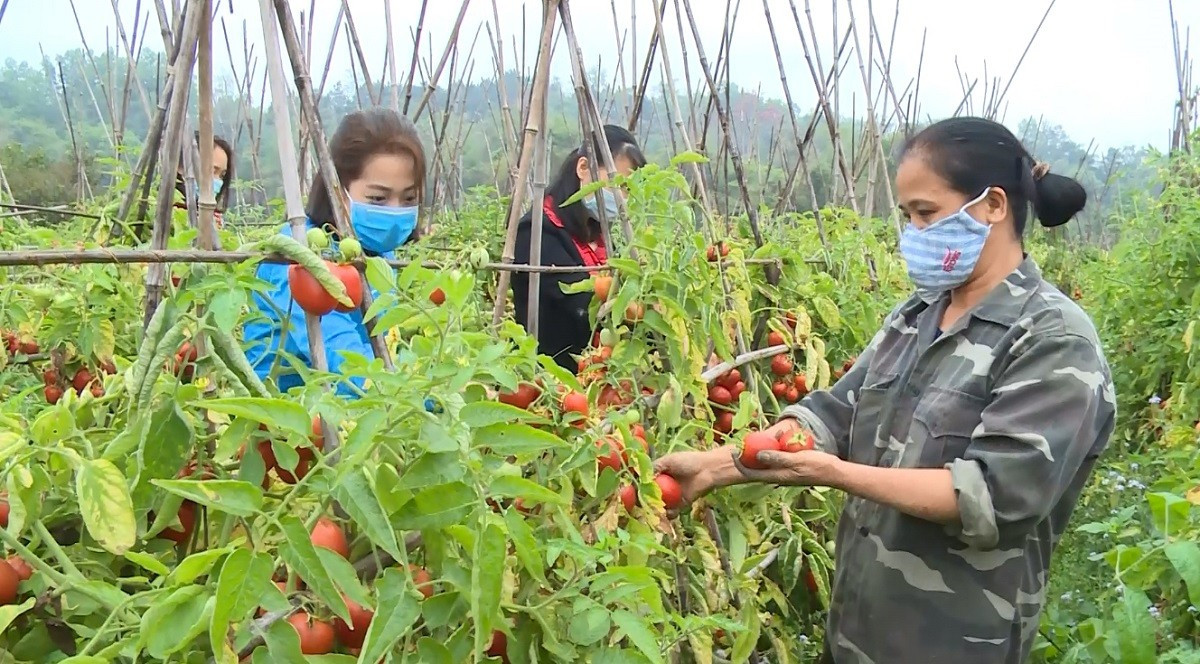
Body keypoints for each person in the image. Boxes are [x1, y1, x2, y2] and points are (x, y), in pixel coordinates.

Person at [655, 117, 1115, 664]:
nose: (913, 232)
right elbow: (836, 414)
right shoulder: (918, 314)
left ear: (993, 205)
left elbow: (992, 497)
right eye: (907, 216)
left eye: (927, 213)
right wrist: (716, 467)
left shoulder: (1053, 340)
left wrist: (834, 474)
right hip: (857, 632)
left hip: (950, 646)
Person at [243, 108, 425, 397]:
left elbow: (382, 347)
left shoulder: (379, 257)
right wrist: (422, 398)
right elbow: (341, 358)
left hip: (357, 402)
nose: (395, 210)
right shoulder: (298, 254)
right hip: (288, 414)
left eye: (409, 197)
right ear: (337, 190)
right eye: (378, 198)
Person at [511, 125, 646, 371]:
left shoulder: (600, 234)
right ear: (583, 168)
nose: (623, 197)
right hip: (549, 380)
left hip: (599, 376)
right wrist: (640, 308)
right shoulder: (537, 233)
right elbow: (581, 301)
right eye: (618, 183)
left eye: (629, 190)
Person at [175, 133, 234, 229]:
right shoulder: (165, 214)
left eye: (222, 175)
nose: (218, 181)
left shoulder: (215, 220)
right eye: (212, 171)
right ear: (180, 167)